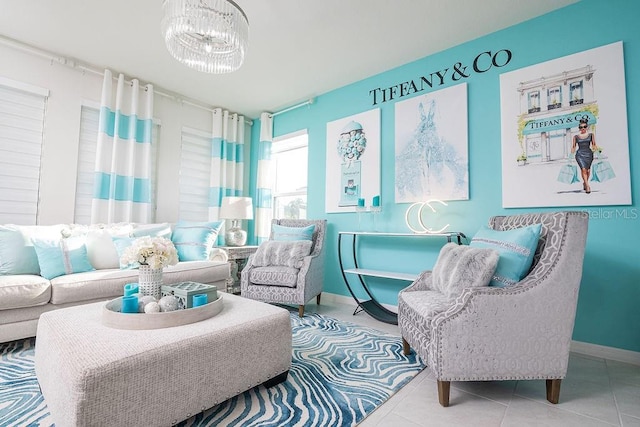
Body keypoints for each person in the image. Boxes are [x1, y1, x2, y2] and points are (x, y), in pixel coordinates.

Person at [571, 118, 597, 193]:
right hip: (580, 155)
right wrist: (571, 154)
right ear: (579, 128)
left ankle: (584, 183)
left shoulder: (591, 135)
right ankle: (587, 185)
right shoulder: (576, 137)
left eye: (584, 127)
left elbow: (594, 145)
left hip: (589, 154)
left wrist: (597, 151)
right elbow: (573, 146)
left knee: (588, 170)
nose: (583, 128)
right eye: (581, 127)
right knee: (583, 169)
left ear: (587, 127)